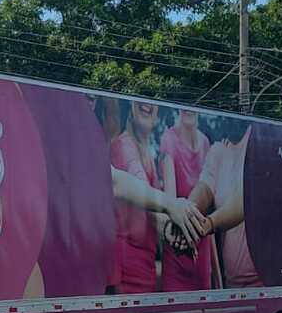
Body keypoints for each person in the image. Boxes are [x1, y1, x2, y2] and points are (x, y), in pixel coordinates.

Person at [108, 101, 208, 293]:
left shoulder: (147, 153)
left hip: (145, 272)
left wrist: (169, 229)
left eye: (153, 100)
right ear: (129, 107)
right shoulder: (124, 145)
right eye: (139, 98)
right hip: (127, 277)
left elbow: (149, 211)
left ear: (157, 115)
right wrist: (173, 206)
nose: (147, 103)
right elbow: (136, 184)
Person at [186, 125, 262, 288]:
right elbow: (205, 188)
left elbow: (248, 197)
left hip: (264, 282)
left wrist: (207, 225)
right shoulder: (219, 151)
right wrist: (187, 215)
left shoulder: (259, 142)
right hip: (232, 283)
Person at [159, 109, 214, 291]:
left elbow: (209, 207)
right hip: (177, 249)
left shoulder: (205, 143)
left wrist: (217, 275)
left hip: (202, 255)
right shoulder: (169, 139)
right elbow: (170, 201)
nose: (190, 109)